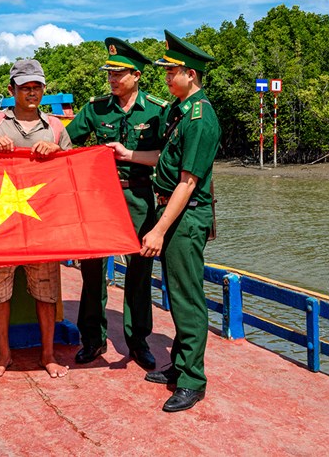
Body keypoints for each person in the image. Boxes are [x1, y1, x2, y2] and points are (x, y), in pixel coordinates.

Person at [108, 30, 220, 413]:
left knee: (187, 298)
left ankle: (192, 380)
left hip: (184, 216)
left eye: (172, 72)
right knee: (176, 294)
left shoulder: (201, 119)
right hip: (168, 209)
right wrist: (128, 154)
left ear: (191, 74)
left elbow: (188, 182)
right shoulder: (178, 110)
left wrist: (157, 229)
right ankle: (180, 365)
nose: (167, 77)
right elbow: (163, 159)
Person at [0, 58, 73, 379]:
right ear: (12, 90)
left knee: (46, 292)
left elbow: (72, 171)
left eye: (37, 86)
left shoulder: (55, 127)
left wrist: (57, 152)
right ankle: (4, 354)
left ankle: (48, 354)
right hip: (1, 224)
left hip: (42, 225)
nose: (32, 92)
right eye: (25, 87)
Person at [65, 38, 168, 370]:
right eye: (109, 73)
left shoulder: (157, 110)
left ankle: (138, 342)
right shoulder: (96, 109)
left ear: (136, 75)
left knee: (139, 271)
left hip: (139, 197)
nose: (112, 79)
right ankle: (92, 339)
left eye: (119, 74)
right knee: (92, 269)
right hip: (99, 198)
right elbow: (66, 142)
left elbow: (171, 156)